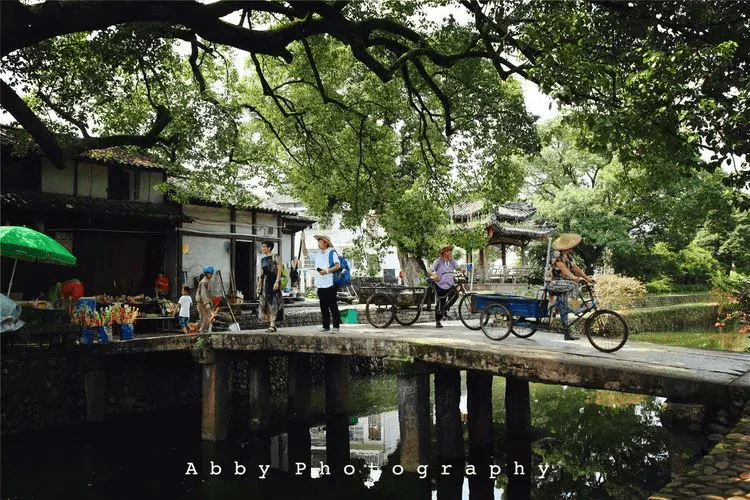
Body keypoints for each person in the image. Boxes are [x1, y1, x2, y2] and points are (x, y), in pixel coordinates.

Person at [547, 233, 596, 340]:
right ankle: (575, 307)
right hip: (553, 283)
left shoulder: (568, 256)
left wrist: (587, 278)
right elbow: (562, 267)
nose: (571, 248)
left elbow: (575, 268)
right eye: (568, 246)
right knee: (574, 285)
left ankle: (567, 333)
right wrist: (573, 278)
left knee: (563, 308)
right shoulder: (556, 254)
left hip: (563, 284)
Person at [429, 245, 465, 328]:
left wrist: (462, 269)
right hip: (440, 284)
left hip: (449, 284)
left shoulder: (452, 261)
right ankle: (438, 321)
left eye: (450, 251)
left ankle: (445, 309)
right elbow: (430, 271)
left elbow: (458, 268)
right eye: (448, 251)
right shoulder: (438, 261)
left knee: (456, 294)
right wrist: (434, 276)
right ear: (443, 252)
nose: (450, 252)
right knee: (440, 302)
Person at [312, 234, 341, 333]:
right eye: (318, 242)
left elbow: (337, 266)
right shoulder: (318, 254)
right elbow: (305, 253)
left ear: (325, 243)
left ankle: (336, 326)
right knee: (323, 306)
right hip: (320, 284)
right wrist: (302, 241)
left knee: (333, 306)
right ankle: (326, 326)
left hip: (330, 283)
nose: (319, 243)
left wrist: (327, 271)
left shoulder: (332, 253)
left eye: (320, 242)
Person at [256, 240, 283, 333]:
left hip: (273, 280)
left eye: (264, 246)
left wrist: (277, 281)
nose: (262, 248)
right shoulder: (263, 259)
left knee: (273, 302)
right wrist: (259, 284)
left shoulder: (276, 257)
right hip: (266, 282)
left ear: (269, 248)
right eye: (262, 246)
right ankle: (272, 324)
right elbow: (262, 272)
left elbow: (279, 269)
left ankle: (272, 324)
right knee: (266, 302)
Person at [195, 265, 214, 334]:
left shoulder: (208, 281)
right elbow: (203, 294)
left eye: (212, 273)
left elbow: (209, 293)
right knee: (205, 318)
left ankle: (199, 329)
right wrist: (206, 303)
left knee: (206, 317)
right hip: (202, 302)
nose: (211, 275)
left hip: (205, 302)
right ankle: (202, 331)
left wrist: (211, 301)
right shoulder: (203, 282)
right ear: (206, 274)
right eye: (210, 273)